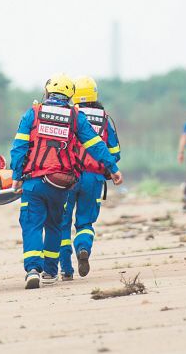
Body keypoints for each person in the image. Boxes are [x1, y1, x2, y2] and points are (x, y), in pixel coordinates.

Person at [10, 73, 123, 289]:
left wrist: (16, 177)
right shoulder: (75, 116)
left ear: (48, 91)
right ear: (69, 95)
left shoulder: (33, 114)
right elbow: (96, 144)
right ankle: (51, 272)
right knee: (54, 225)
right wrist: (113, 167)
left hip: (34, 181)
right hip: (60, 183)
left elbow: (19, 148)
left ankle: (33, 269)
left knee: (32, 224)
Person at [52, 76, 121, 281]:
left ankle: (66, 269)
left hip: (68, 177)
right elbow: (114, 152)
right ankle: (83, 248)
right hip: (94, 179)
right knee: (85, 223)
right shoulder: (105, 119)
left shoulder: (69, 115)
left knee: (62, 224)